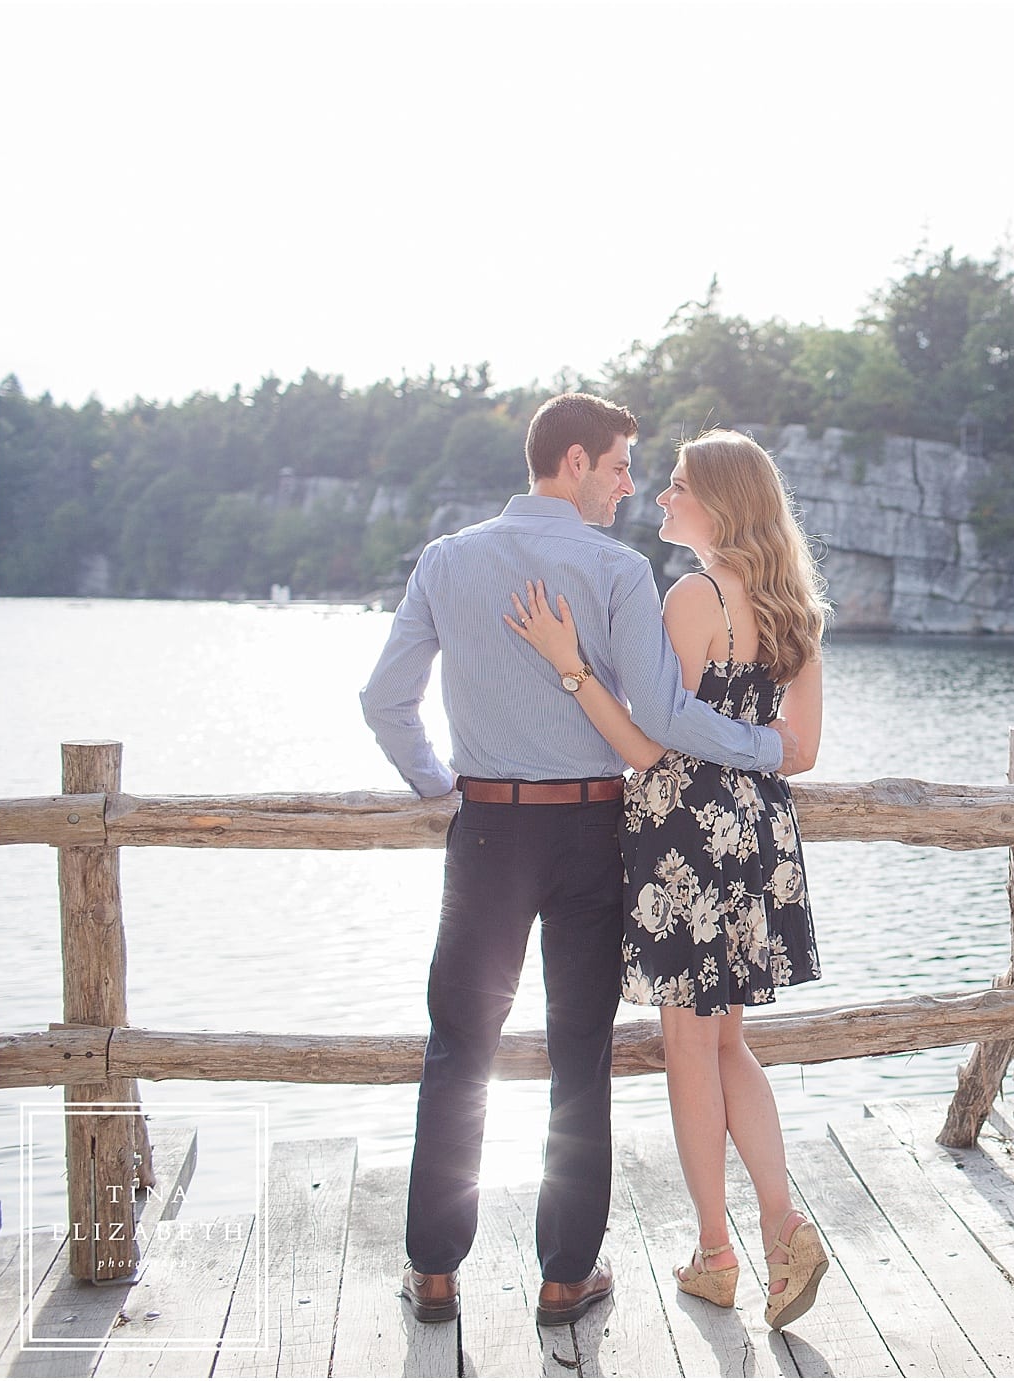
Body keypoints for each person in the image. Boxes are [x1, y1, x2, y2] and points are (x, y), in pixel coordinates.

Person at [361, 394, 794, 1329]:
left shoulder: (447, 559)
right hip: (594, 833)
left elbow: (385, 700)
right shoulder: (617, 569)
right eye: (617, 467)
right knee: (579, 1058)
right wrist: (772, 750)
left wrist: (440, 785)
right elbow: (669, 722)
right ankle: (565, 1277)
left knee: (459, 1048)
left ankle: (434, 1271)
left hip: (484, 831)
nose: (628, 486)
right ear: (570, 461)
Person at [505, 426, 830, 1330]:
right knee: (728, 1046)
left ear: (720, 502)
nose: (661, 498)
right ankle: (777, 1231)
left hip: (686, 836)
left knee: (691, 1049)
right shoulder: (794, 606)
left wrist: (569, 667)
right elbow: (800, 751)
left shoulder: (693, 595)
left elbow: (650, 740)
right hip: (760, 835)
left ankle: (724, 1251)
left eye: (678, 484)